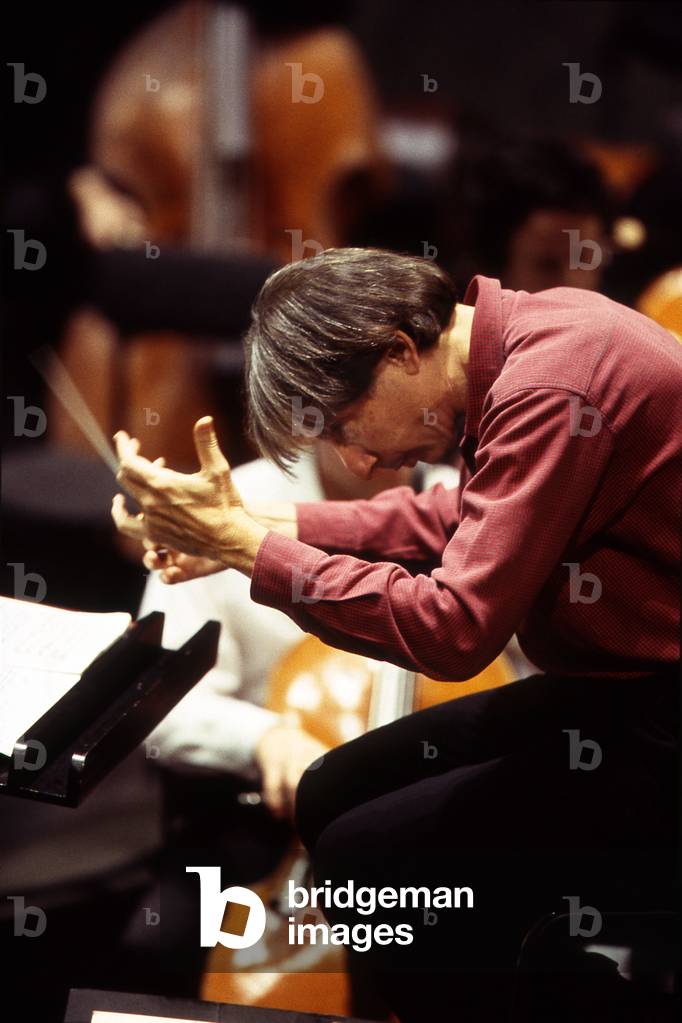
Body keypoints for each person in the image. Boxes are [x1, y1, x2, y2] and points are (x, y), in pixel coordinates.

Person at [112, 248, 680, 1022]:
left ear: (399, 349)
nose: (357, 457)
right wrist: (249, 524)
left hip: (659, 713)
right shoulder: (528, 343)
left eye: (347, 424)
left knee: (369, 861)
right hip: (617, 692)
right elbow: (453, 516)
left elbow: (455, 630)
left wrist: (251, 551)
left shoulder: (552, 382)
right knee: (328, 792)